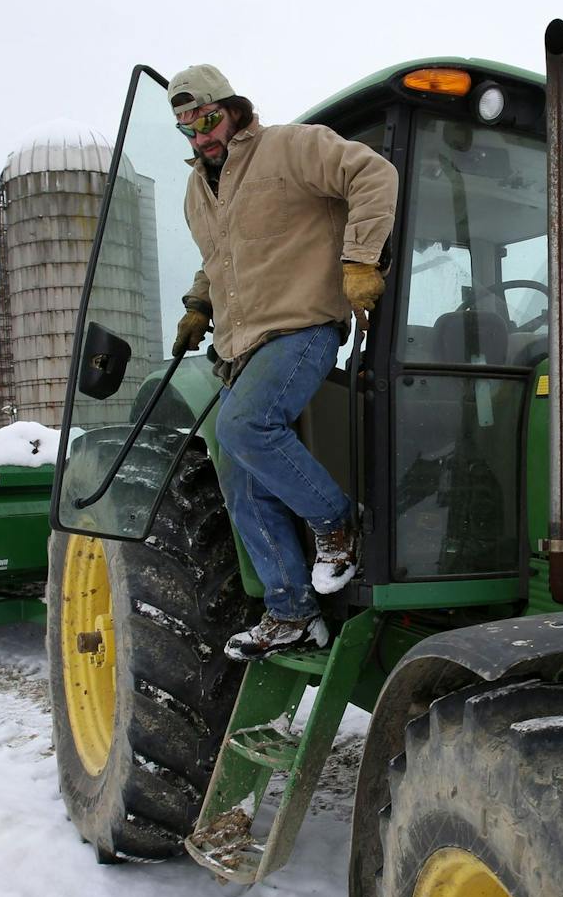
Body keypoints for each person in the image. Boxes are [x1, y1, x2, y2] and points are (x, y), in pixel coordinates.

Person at [166, 63, 398, 661]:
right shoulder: (198, 189)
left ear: (234, 109)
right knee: (239, 479)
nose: (200, 135)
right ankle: (292, 612)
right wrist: (198, 306)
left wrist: (360, 258)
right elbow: (220, 259)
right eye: (187, 127)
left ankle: (337, 523)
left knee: (245, 425)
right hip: (239, 348)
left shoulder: (292, 148)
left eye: (209, 119)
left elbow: (374, 173)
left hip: (301, 330)